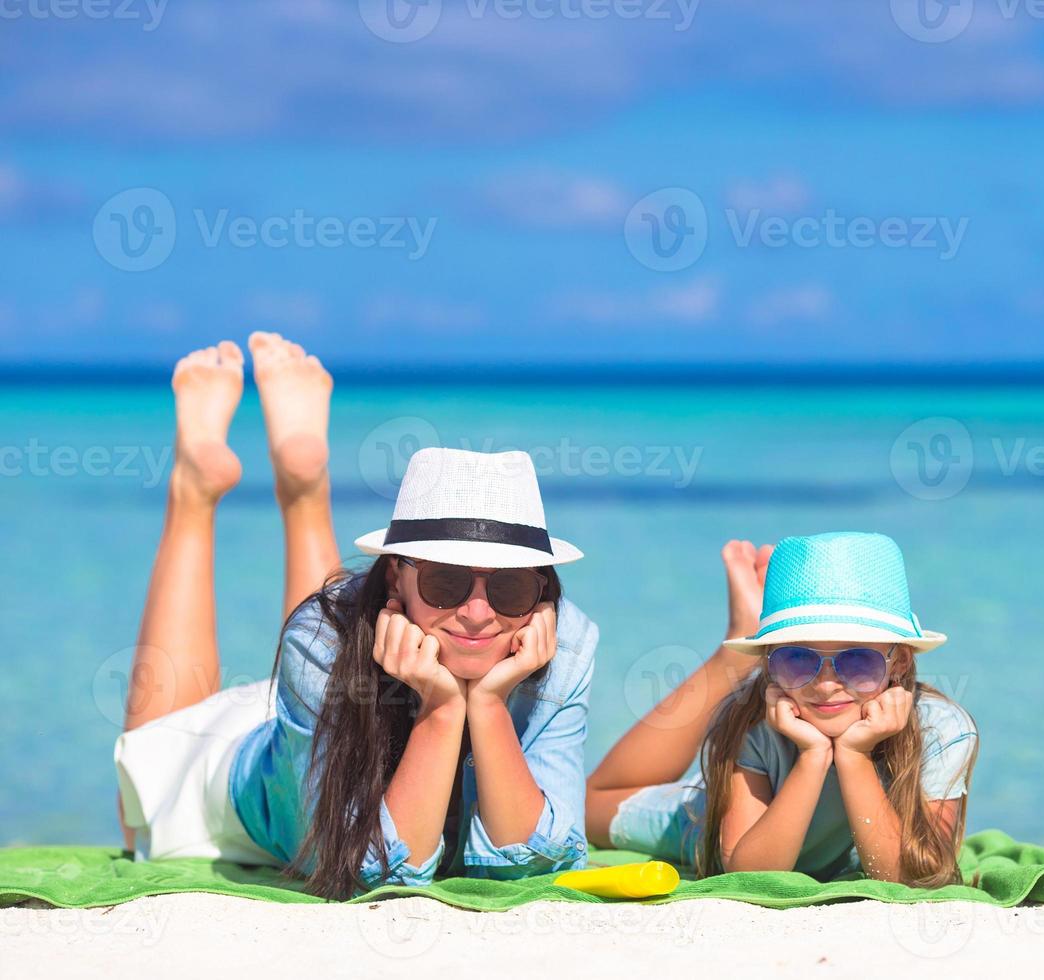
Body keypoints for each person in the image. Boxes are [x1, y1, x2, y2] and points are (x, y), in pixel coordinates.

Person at [114, 334, 596, 899]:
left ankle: (300, 484)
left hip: (325, 697)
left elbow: (537, 859)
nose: (475, 613)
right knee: (148, 775)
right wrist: (443, 710)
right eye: (445, 582)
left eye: (509, 587)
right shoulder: (316, 644)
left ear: (540, 591)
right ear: (396, 576)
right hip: (247, 773)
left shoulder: (569, 641)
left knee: (332, 626)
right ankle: (195, 494)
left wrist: (485, 703)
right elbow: (362, 870)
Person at [587, 531, 977, 887]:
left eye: (858, 661)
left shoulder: (939, 728)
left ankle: (755, 640)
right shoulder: (755, 721)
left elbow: (914, 878)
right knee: (587, 806)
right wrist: (812, 757)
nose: (826, 685)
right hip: (702, 817)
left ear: (901, 662)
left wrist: (854, 757)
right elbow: (751, 874)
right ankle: (733, 653)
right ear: (769, 664)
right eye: (797, 660)